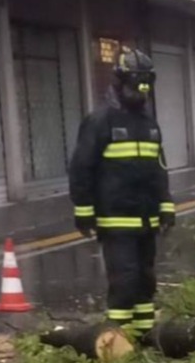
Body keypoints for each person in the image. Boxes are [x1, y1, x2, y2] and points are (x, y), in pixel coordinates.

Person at [68, 47, 174, 333]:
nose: (140, 94)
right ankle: (117, 340)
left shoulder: (149, 124)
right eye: (135, 86)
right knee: (124, 281)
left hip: (145, 221)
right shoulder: (101, 121)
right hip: (115, 220)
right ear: (119, 83)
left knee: (145, 281)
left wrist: (166, 207)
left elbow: (158, 170)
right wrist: (84, 210)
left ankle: (143, 338)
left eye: (145, 87)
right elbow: (81, 168)